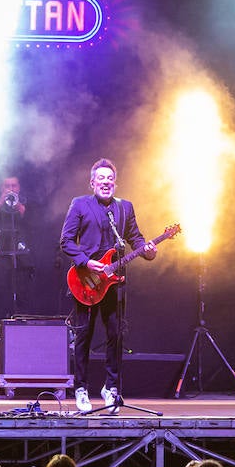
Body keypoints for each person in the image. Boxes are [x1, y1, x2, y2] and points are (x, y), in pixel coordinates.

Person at [59, 158, 155, 412]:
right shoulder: (80, 204)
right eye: (100, 178)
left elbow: (135, 237)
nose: (106, 182)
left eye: (109, 178)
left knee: (115, 335)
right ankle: (81, 389)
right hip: (86, 280)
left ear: (115, 182)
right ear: (92, 183)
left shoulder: (124, 208)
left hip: (113, 282)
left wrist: (147, 250)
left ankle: (110, 388)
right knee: (84, 336)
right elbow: (66, 241)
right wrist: (86, 262)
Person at [0, 176, 31, 317]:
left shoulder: (24, 203)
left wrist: (17, 204)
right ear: (2, 188)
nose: (11, 189)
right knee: (2, 294)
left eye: (14, 186)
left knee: (22, 292)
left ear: (18, 187)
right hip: (1, 257)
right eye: (7, 186)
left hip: (21, 257)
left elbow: (29, 217)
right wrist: (2, 200)